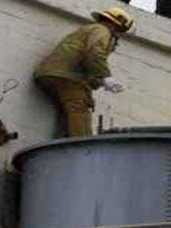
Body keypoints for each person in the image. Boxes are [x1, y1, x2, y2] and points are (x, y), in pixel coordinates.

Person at [33, 7, 132, 137]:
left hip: (51, 73)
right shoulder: (102, 30)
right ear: (116, 25)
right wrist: (105, 77)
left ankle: (64, 141)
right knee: (80, 108)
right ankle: (82, 145)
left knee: (69, 110)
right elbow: (94, 53)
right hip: (68, 75)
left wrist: (100, 81)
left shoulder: (89, 29)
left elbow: (85, 59)